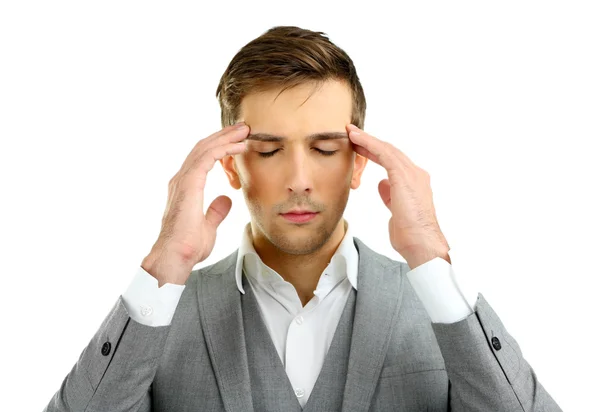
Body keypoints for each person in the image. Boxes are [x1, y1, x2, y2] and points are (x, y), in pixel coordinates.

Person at [43, 26, 562, 411]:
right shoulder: (158, 316)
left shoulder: (437, 309)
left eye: (324, 148)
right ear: (230, 164)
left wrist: (428, 252)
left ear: (359, 162)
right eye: (268, 150)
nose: (298, 179)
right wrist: (164, 264)